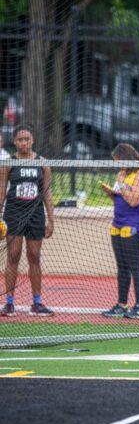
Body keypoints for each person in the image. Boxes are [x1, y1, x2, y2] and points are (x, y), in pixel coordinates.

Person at [0, 124, 54, 316]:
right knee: (13, 256)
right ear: (14, 142)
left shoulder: (42, 163)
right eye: (20, 139)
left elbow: (47, 193)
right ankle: (9, 302)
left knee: (34, 257)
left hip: (35, 215)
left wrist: (51, 220)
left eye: (27, 139)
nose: (24, 143)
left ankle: (37, 302)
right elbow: (1, 192)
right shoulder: (8, 163)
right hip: (13, 214)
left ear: (33, 140)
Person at [100, 143, 139, 319]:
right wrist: (111, 192)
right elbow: (120, 199)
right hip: (118, 223)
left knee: (134, 265)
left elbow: (133, 201)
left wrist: (121, 185)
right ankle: (121, 304)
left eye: (119, 161)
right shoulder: (122, 173)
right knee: (121, 266)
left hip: (135, 224)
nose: (118, 165)